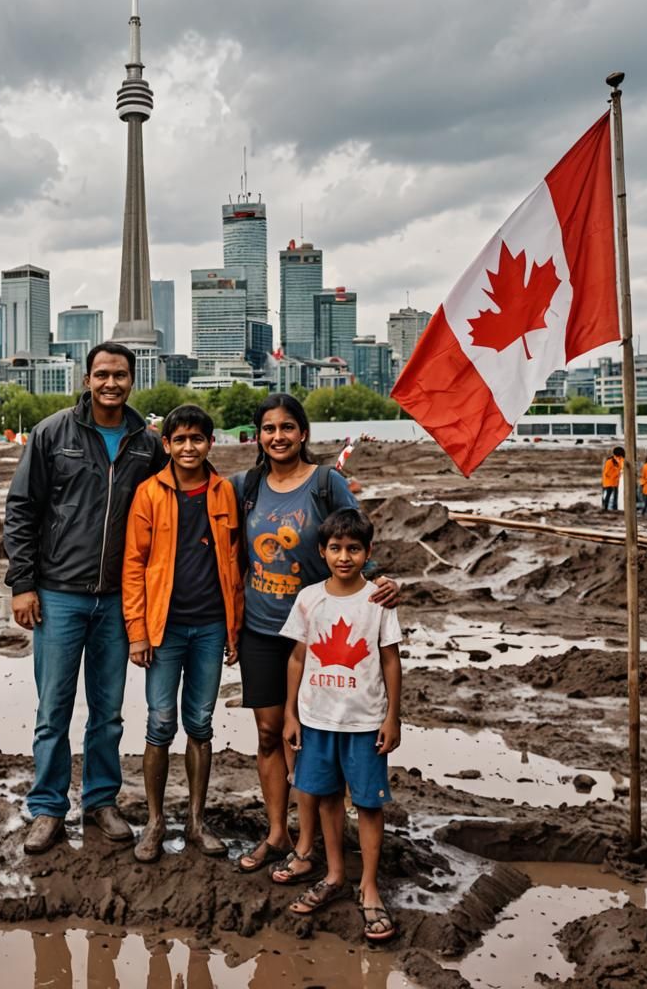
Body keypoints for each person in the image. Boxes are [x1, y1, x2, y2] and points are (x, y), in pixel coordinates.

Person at [4, 342, 167, 854]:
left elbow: (177, 500)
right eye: (102, 375)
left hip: (119, 601)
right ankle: (48, 808)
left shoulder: (147, 443)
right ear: (86, 378)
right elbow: (21, 509)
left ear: (132, 380)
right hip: (58, 595)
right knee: (53, 709)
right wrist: (22, 583)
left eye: (120, 375)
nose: (111, 384)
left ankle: (100, 801)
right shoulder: (52, 433)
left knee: (109, 710)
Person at [231, 393, 399, 874]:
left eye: (287, 427)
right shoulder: (246, 486)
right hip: (262, 629)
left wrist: (384, 579)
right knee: (269, 733)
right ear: (258, 437)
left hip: (317, 634)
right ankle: (277, 833)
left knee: (304, 738)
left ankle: (309, 843)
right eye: (268, 428)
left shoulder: (327, 483)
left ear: (303, 433)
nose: (278, 436)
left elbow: (358, 538)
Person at [123, 404, 244, 863]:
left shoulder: (224, 492)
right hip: (163, 629)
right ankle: (155, 823)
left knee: (200, 723)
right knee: (159, 722)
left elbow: (236, 563)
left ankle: (195, 821)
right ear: (167, 445)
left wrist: (235, 629)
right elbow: (133, 565)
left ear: (209, 444)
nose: (189, 447)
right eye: (180, 440)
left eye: (198, 439)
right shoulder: (149, 493)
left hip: (212, 626)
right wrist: (137, 632)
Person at [278, 508, 402, 941]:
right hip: (316, 719)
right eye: (335, 548)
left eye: (353, 549)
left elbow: (391, 659)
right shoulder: (310, 598)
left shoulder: (378, 600)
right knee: (325, 795)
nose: (344, 557)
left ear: (368, 553)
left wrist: (393, 716)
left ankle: (369, 886)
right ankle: (333, 875)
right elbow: (297, 657)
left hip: (365, 722)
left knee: (368, 803)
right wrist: (291, 713)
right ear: (322, 551)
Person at [601, 446, 625, 511]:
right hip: (609, 482)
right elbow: (606, 473)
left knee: (615, 496)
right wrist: (616, 474)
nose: (620, 458)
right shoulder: (609, 462)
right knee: (608, 495)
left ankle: (615, 508)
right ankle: (605, 508)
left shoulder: (621, 460)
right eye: (619, 457)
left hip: (615, 482)